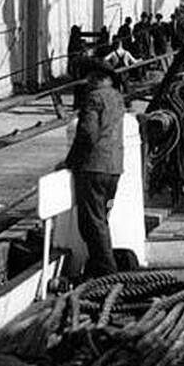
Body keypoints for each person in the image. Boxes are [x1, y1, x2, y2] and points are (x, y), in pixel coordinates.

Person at [59, 62, 126, 279]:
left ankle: (107, 273)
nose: (87, 82)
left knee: (91, 223)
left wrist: (71, 161)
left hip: (93, 169)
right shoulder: (117, 98)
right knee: (102, 218)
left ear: (96, 78)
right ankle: (101, 267)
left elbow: (88, 134)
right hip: (114, 169)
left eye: (89, 78)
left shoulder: (94, 98)